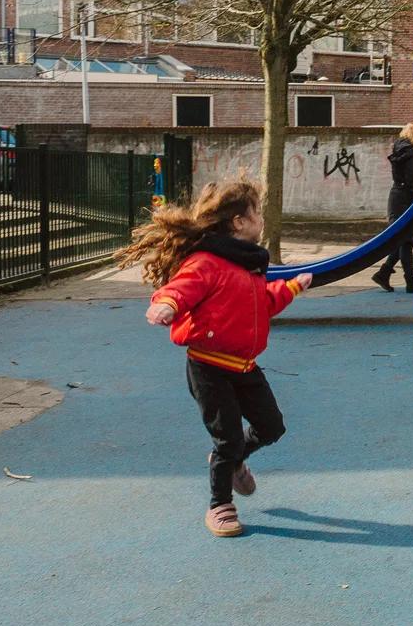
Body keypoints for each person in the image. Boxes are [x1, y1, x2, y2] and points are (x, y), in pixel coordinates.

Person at [116, 178, 312, 538]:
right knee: (228, 438)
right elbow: (182, 288)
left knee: (272, 426)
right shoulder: (207, 262)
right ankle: (220, 506)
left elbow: (262, 304)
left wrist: (292, 287)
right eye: (257, 213)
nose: (261, 220)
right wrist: (166, 305)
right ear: (238, 222)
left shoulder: (248, 265)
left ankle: (233, 460)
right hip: (209, 366)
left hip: (244, 366)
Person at [372, 123, 413, 292]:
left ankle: (384, 274)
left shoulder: (406, 151)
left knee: (404, 240)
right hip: (406, 199)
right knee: (406, 240)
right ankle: (410, 282)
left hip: (400, 197)